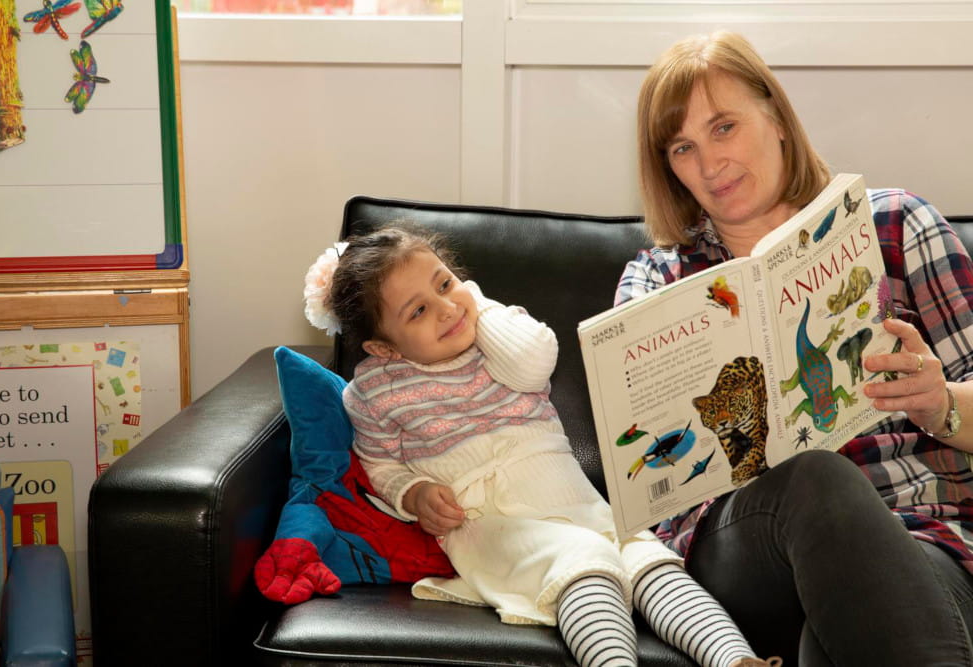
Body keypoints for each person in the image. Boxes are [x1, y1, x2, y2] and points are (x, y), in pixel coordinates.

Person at [620, 30, 973, 666]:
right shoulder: (657, 282)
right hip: (746, 550)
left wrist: (940, 401)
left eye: (724, 127)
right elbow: (645, 477)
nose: (709, 165)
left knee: (832, 642)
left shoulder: (896, 225)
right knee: (814, 476)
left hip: (925, 538)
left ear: (777, 118)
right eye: (683, 147)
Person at [302, 227, 780, 667]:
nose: (447, 308)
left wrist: (479, 304)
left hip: (569, 494)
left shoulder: (499, 335)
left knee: (648, 560)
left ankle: (733, 659)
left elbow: (533, 364)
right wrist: (414, 493)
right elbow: (380, 463)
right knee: (583, 567)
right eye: (419, 311)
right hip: (486, 519)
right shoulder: (372, 391)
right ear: (385, 349)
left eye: (445, 284)